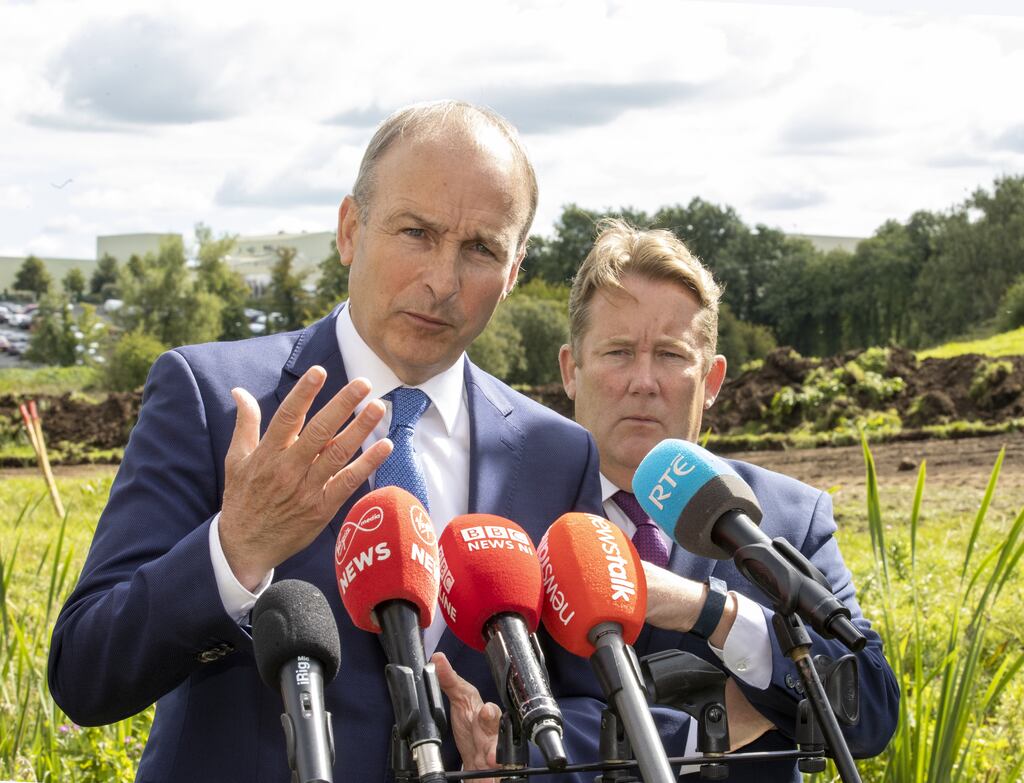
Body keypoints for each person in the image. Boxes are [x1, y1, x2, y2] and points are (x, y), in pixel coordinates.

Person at [48, 101, 607, 782]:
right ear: (350, 230)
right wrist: (235, 548)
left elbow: (590, 703)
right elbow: (85, 669)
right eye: (415, 232)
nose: (442, 281)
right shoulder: (214, 396)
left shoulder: (559, 452)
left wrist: (514, 742)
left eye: (481, 249)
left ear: (515, 269)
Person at [556, 219, 900, 781]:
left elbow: (869, 714)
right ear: (572, 369)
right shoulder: (517, 513)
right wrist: (702, 727)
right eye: (618, 352)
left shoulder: (788, 518)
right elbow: (498, 727)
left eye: (670, 355)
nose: (644, 381)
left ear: (712, 380)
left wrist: (708, 610)